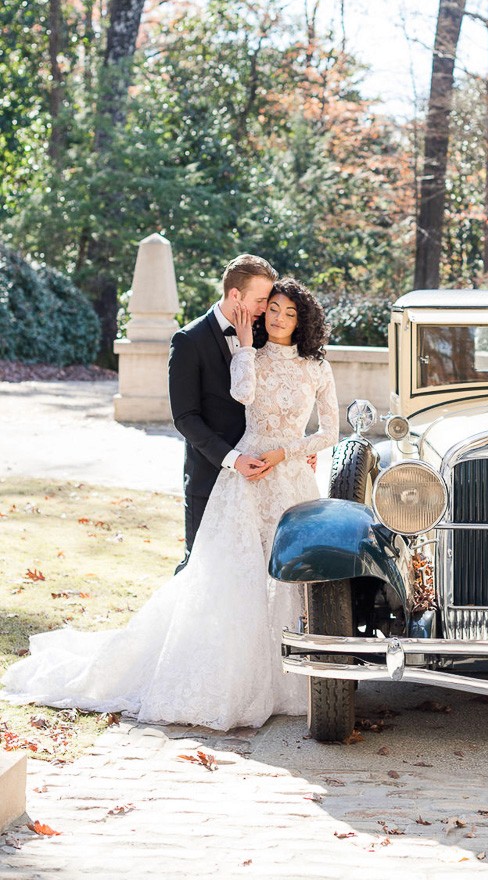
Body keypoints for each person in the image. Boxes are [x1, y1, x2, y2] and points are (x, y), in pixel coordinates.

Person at [2, 278, 339, 731]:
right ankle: (229, 680)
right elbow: (234, 399)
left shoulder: (318, 366)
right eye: (270, 307)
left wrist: (290, 451)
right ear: (246, 301)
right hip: (242, 476)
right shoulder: (246, 353)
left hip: (292, 478)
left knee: (291, 579)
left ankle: (290, 681)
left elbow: (329, 432)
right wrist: (243, 347)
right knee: (231, 576)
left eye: (287, 312)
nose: (275, 317)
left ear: (304, 320)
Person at [168, 253, 277, 564]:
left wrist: (294, 444)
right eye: (260, 300)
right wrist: (234, 459)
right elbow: (185, 418)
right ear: (234, 295)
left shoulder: (263, 334)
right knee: (200, 569)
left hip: (259, 479)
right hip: (210, 476)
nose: (265, 308)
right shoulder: (189, 340)